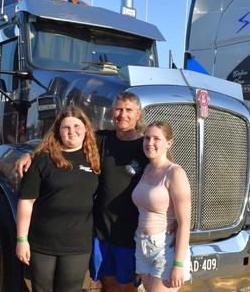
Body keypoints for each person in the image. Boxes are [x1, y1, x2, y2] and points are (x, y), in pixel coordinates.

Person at [16, 92, 148, 292]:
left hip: (130, 234)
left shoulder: (146, 146)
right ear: (112, 112)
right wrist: (30, 154)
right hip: (101, 233)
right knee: (108, 283)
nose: (123, 114)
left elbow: (165, 171)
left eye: (129, 110)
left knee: (128, 286)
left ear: (138, 114)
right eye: (119, 109)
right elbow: (65, 139)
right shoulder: (102, 140)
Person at [16, 105, 101, 292]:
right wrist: (22, 240)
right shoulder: (43, 160)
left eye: (77, 126)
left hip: (77, 245)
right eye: (66, 127)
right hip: (42, 243)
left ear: (86, 128)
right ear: (59, 131)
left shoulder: (94, 157)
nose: (72, 132)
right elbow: (26, 201)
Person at [132, 121, 191, 291]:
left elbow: (184, 223)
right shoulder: (146, 168)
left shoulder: (175, 173)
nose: (150, 143)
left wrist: (178, 264)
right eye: (147, 138)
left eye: (156, 138)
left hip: (165, 249)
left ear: (169, 143)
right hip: (141, 246)